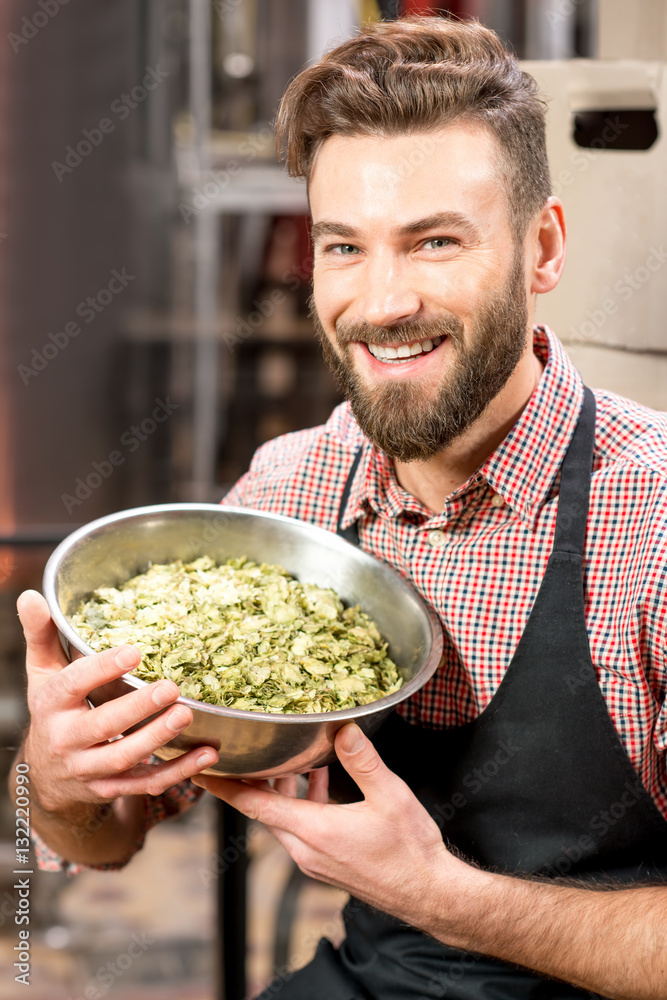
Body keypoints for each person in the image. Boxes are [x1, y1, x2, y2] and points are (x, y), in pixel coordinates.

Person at [13, 16, 667, 999]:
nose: (382, 299)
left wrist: (441, 894)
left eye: (434, 241)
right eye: (344, 247)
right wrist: (60, 784)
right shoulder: (293, 493)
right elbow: (107, 836)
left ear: (542, 248)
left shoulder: (651, 518)